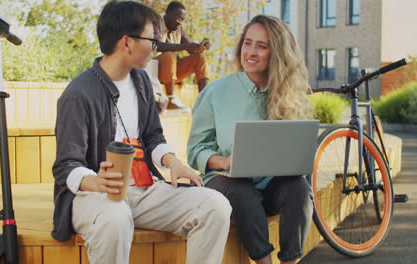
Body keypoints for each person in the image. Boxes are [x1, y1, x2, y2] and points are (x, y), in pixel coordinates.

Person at [51, 2, 231, 264]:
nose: (157, 46)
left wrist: (173, 162)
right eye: (153, 39)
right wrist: (97, 182)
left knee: (215, 206)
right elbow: (66, 166)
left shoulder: (142, 81)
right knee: (114, 217)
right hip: (92, 195)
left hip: (143, 189)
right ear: (127, 42)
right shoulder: (78, 95)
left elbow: (152, 137)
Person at [187, 15, 314, 264]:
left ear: (276, 53)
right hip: (224, 183)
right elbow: (195, 150)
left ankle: (290, 261)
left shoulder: (289, 93)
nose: (251, 52)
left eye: (261, 46)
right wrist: (224, 162)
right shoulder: (216, 91)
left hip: (270, 188)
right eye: (248, 43)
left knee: (298, 187)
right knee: (241, 191)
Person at [155, 1, 210, 110]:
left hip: (172, 71)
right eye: (178, 18)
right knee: (169, 55)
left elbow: (189, 48)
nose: (180, 23)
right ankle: (170, 99)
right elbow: (157, 45)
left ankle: (204, 101)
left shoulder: (178, 29)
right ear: (167, 13)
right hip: (155, 69)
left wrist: (199, 47)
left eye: (182, 20)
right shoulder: (155, 23)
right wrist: (185, 46)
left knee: (200, 58)